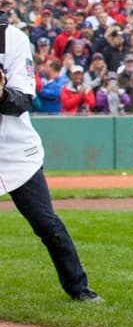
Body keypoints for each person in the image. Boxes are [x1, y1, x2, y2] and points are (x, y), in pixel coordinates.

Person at [0, 18, 99, 301]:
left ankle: (78, 288)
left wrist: (2, 92)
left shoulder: (11, 38)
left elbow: (21, 102)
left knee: (47, 225)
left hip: (17, 151)